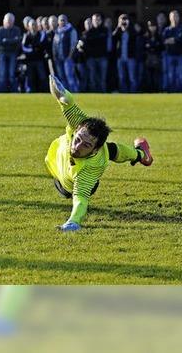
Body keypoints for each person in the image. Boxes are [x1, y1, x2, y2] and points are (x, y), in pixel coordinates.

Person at [45, 75, 153, 232]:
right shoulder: (80, 124)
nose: (77, 146)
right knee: (111, 149)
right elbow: (66, 101)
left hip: (66, 185)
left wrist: (73, 222)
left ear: (94, 149)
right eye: (79, 139)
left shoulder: (87, 171)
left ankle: (143, 156)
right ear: (77, 130)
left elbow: (81, 200)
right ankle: (141, 154)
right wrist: (56, 86)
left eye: (86, 145)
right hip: (56, 162)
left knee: (111, 151)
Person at [162, 10, 182, 92]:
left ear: (179, 17)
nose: (174, 18)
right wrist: (175, 39)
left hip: (180, 54)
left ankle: (180, 92)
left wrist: (173, 40)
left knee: (180, 75)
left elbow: (181, 39)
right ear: (169, 18)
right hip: (169, 55)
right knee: (170, 74)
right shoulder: (167, 30)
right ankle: (171, 92)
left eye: (176, 16)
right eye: (172, 16)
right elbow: (164, 41)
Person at [52, 14, 79, 92]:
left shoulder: (71, 30)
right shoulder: (57, 32)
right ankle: (65, 94)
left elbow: (73, 44)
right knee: (61, 77)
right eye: (61, 20)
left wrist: (70, 56)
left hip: (68, 58)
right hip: (58, 59)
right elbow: (54, 45)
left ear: (67, 21)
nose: (62, 21)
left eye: (64, 20)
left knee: (69, 76)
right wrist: (55, 56)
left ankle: (74, 92)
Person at [0, 13, 22, 92]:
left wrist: (6, 40)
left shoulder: (17, 30)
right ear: (4, 21)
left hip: (13, 53)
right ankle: (1, 91)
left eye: (10, 21)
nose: (8, 23)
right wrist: (11, 41)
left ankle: (13, 91)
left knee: (11, 73)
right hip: (3, 53)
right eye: (7, 21)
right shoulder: (0, 30)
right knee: (2, 73)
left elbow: (17, 41)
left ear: (13, 22)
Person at [112, 13, 138, 93]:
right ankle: (123, 92)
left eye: (125, 21)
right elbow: (113, 37)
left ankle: (133, 92)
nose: (124, 23)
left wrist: (128, 27)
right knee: (121, 77)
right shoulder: (119, 32)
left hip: (130, 57)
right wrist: (118, 26)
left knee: (132, 77)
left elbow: (135, 35)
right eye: (122, 21)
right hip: (120, 57)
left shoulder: (132, 31)